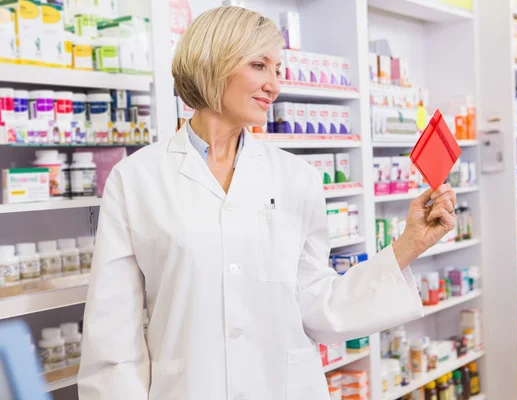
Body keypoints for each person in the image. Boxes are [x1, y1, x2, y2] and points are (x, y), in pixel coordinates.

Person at [78, 6, 457, 400]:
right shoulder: (137, 179)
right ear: (211, 62)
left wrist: (409, 245)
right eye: (259, 65)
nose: (274, 85)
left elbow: (317, 304)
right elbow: (113, 340)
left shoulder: (297, 178)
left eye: (278, 69)